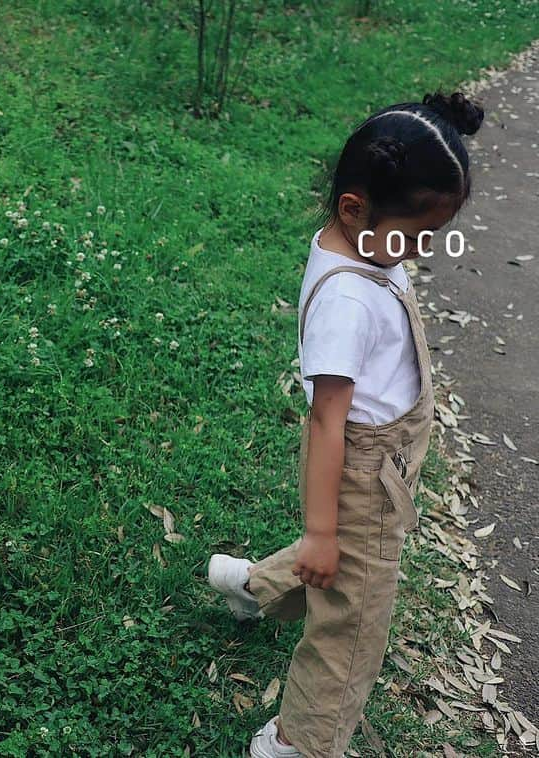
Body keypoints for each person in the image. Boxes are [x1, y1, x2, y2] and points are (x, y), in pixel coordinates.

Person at [207, 92, 484, 757]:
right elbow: (328, 422)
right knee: (353, 623)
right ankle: (298, 743)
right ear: (356, 207)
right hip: (366, 471)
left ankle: (252, 586)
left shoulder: (363, 249)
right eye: (415, 235)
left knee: (343, 569)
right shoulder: (349, 300)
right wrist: (320, 531)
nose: (421, 250)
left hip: (383, 455)